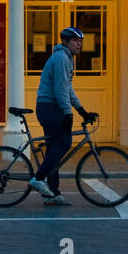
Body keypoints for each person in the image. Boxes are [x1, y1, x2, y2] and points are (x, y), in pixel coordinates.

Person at [28, 27, 96, 207]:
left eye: (80, 40)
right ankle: (38, 178)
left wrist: (82, 110)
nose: (79, 44)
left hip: (52, 107)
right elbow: (60, 90)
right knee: (64, 142)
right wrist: (68, 113)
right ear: (65, 42)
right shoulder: (60, 58)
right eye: (75, 40)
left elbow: (68, 89)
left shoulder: (67, 59)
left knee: (53, 150)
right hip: (50, 107)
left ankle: (52, 194)